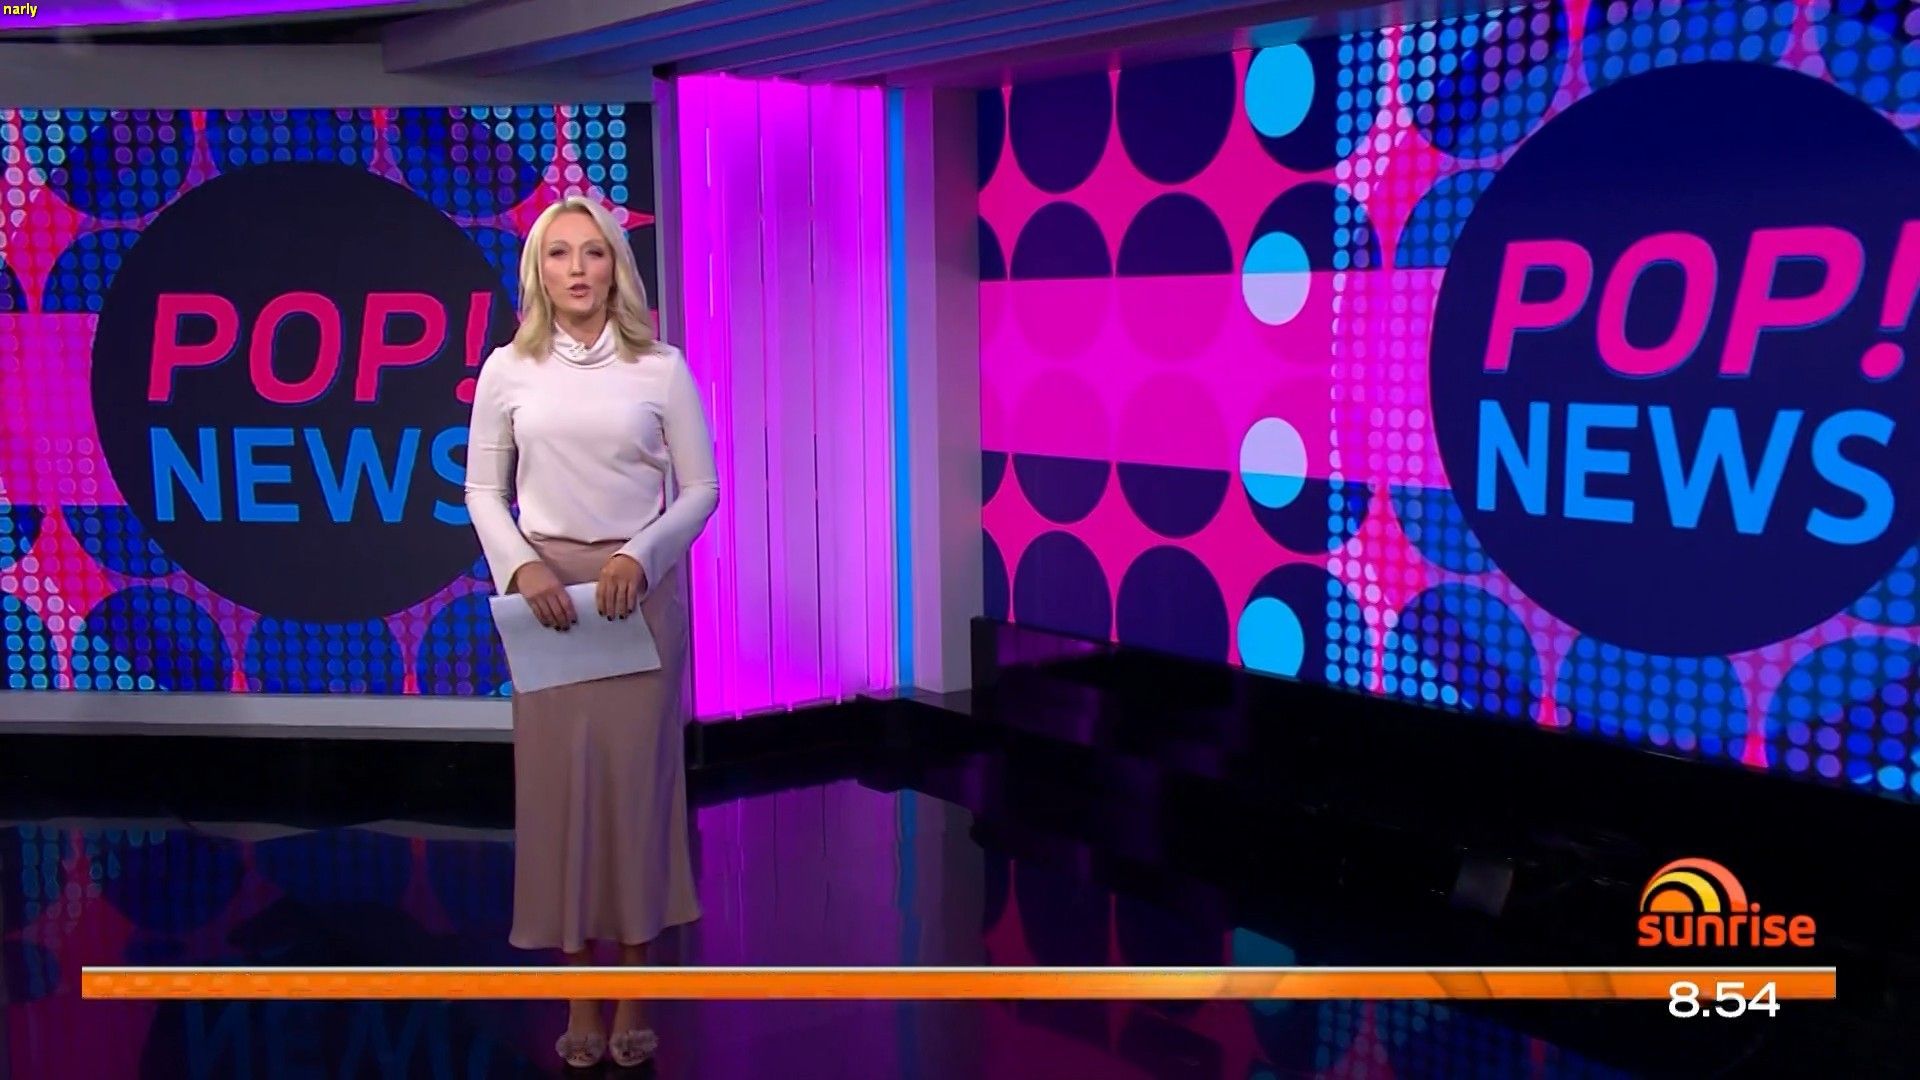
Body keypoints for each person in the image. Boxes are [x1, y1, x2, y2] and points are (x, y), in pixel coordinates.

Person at [463, 195, 717, 1070]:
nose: (578, 269)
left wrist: (641, 556)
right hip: (547, 604)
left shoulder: (661, 368)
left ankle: (637, 986)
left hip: (637, 596)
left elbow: (700, 489)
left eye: (594, 253)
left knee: (635, 792)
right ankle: (578, 990)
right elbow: (481, 491)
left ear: (616, 267)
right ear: (538, 270)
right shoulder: (508, 369)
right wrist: (521, 568)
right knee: (559, 793)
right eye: (560, 253)